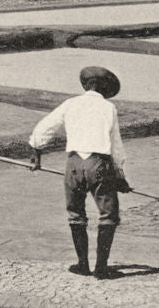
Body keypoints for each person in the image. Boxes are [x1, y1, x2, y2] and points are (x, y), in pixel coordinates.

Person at [29, 66, 131, 279]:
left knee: (76, 213)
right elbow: (115, 145)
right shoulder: (108, 107)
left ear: (86, 86)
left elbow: (43, 129)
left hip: (74, 163)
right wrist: (120, 176)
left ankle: (82, 264)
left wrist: (37, 153)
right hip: (99, 163)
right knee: (108, 215)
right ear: (104, 89)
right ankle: (101, 268)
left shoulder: (70, 103)